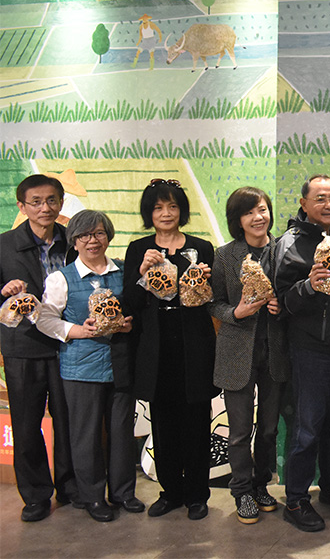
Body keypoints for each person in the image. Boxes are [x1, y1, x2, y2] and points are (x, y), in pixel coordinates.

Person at [36, 210, 141, 522]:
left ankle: (123, 493)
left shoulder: (123, 271)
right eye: (84, 235)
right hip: (81, 368)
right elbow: (44, 318)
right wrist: (76, 330)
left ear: (108, 236)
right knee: (86, 435)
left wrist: (128, 324)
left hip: (120, 365)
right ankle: (92, 496)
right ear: (74, 240)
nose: (92, 241)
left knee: (122, 431)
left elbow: (138, 310)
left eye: (99, 233)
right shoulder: (61, 278)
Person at [123, 179, 217, 521]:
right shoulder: (138, 248)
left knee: (197, 423)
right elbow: (131, 303)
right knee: (163, 425)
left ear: (182, 211)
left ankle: (197, 495)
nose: (166, 213)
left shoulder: (201, 247)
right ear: (149, 213)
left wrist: (202, 279)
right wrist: (142, 272)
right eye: (159, 207)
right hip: (156, 347)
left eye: (173, 206)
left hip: (194, 345)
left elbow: (210, 299)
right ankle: (171, 492)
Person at [274, 174, 330, 532]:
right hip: (311, 350)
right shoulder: (291, 243)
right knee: (307, 428)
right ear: (304, 204)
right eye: (320, 198)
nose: (328, 204)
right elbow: (280, 303)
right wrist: (309, 285)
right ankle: (296, 499)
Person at [0, 174, 78, 522]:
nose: (44, 208)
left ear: (60, 203)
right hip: (23, 348)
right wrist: (4, 291)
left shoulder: (74, 241)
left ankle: (71, 486)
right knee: (26, 424)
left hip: (66, 345)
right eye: (36, 202)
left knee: (69, 421)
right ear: (22, 206)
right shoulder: (4, 245)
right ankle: (34, 495)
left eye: (51, 200)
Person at [209, 188, 288, 525]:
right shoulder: (225, 255)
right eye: (249, 212)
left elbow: (297, 294)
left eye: (262, 209)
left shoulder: (284, 250)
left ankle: (261, 484)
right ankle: (241, 490)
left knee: (268, 428)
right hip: (237, 352)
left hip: (276, 352)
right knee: (240, 431)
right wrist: (236, 312)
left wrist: (283, 306)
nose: (258, 217)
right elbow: (213, 302)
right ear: (237, 220)